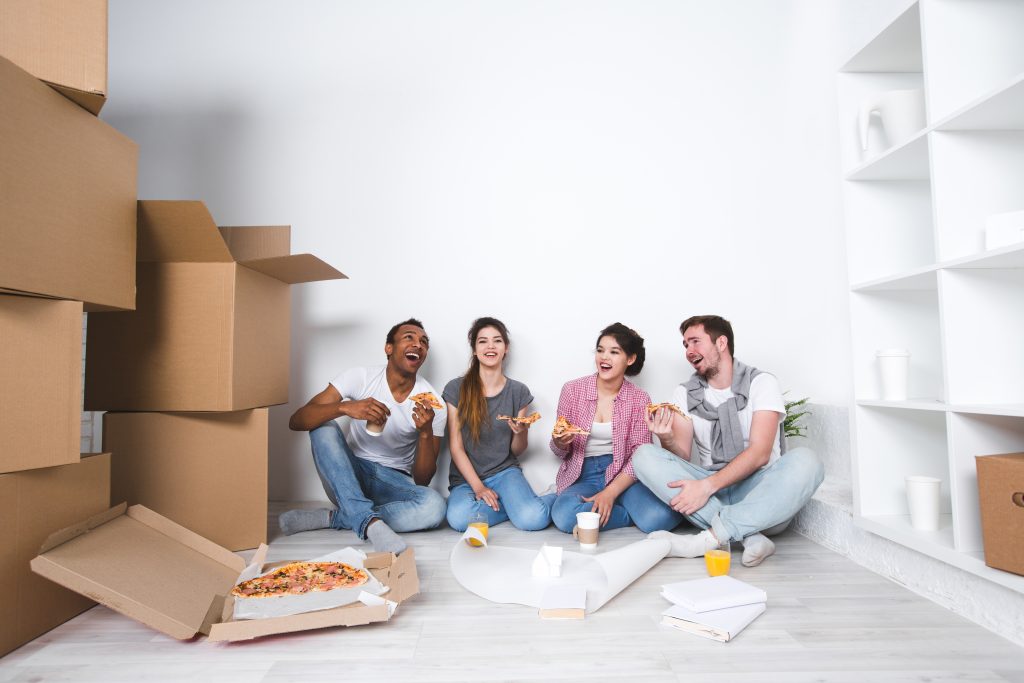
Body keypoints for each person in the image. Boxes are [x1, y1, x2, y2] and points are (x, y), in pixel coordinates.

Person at [633, 314, 824, 567]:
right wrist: (667, 439)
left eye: (695, 342)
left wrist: (706, 487)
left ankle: (707, 540)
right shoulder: (684, 393)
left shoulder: (761, 383)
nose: (689, 351)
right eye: (685, 345)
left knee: (807, 461)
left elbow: (760, 454)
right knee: (644, 455)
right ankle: (749, 534)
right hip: (712, 499)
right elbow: (680, 457)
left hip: (759, 494)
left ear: (721, 343)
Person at [278, 318, 447, 555]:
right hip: (348, 474)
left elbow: (422, 480)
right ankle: (369, 522)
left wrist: (426, 433)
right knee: (322, 425)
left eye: (424, 342)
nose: (418, 344)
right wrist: (345, 408)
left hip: (394, 481)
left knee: (435, 507)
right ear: (389, 348)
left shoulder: (433, 403)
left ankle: (339, 517)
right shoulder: (360, 377)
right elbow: (297, 420)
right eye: (409, 337)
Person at [549, 323, 684, 534]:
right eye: (600, 350)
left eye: (614, 352)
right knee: (564, 515)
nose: (604, 357)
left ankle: (597, 515)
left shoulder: (640, 398)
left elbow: (640, 455)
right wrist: (558, 442)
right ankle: (627, 514)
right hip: (584, 475)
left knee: (662, 517)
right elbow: (559, 451)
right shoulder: (572, 390)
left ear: (630, 359)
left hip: (624, 475)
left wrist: (611, 492)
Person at [443, 317, 552, 531]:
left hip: (504, 472)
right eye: (483, 341)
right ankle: (515, 507)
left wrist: (521, 433)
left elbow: (517, 451)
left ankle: (550, 498)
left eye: (497, 341)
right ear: (474, 349)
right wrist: (478, 487)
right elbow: (456, 448)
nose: (490, 346)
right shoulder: (455, 389)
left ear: (506, 348)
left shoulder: (518, 392)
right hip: (466, 479)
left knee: (532, 519)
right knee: (458, 519)